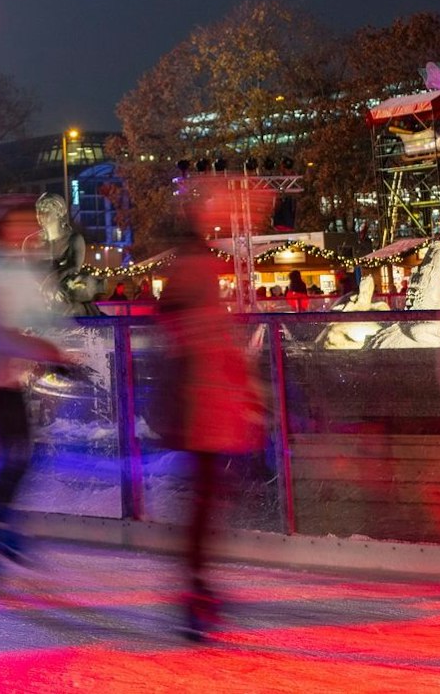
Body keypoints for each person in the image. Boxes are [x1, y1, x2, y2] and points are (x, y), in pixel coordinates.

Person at [152, 231, 263, 641]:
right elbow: (219, 362)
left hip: (204, 415)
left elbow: (220, 359)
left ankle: (196, 587)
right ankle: (195, 590)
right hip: (205, 416)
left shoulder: (191, 310)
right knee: (206, 500)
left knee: (208, 499)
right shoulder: (199, 307)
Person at [0, 199, 76, 584]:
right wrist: (47, 351)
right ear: (2, 230)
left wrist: (52, 346)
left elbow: (35, 318)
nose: (25, 228)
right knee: (18, 455)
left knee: (20, 455)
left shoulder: (18, 267)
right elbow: (2, 332)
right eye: (16, 223)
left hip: (10, 375)